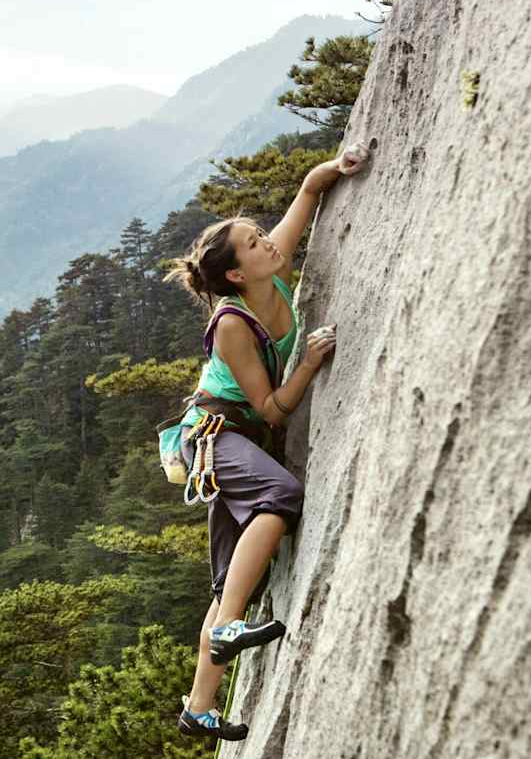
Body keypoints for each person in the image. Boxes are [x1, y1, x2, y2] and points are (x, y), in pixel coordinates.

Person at [165, 140, 370, 741]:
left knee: (229, 580)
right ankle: (229, 627)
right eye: (254, 243)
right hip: (213, 433)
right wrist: (307, 363)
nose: (269, 242)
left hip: (238, 437)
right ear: (235, 272)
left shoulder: (271, 271)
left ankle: (199, 707)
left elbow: (307, 196)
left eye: (261, 234)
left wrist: (334, 170)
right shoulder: (232, 324)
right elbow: (272, 410)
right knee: (281, 497)